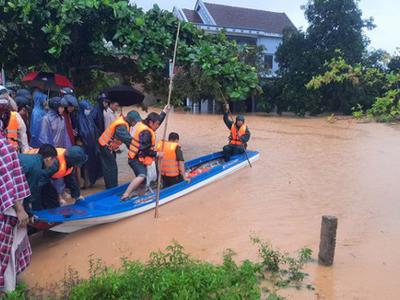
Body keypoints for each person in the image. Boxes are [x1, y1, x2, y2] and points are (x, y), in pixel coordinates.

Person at [0, 98, 32, 293]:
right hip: (8, 208)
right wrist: (21, 210)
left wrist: (20, 209)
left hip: (7, 207)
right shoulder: (4, 146)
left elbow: (11, 178)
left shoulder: (4, 145)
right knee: (8, 251)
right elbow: (10, 178)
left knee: (9, 250)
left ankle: (10, 291)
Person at [121, 106, 170, 200]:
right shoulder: (146, 133)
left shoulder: (145, 123)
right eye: (156, 124)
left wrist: (164, 111)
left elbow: (157, 120)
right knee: (142, 176)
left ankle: (141, 196)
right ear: (151, 123)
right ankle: (125, 195)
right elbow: (145, 150)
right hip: (135, 159)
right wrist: (157, 154)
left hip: (136, 157)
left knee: (143, 181)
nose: (157, 126)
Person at [98, 110, 142, 189]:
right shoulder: (121, 126)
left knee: (111, 167)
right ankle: (111, 188)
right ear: (132, 121)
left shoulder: (123, 122)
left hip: (109, 147)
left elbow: (128, 140)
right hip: (105, 147)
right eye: (135, 122)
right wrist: (139, 150)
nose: (136, 124)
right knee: (111, 169)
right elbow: (128, 140)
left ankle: (112, 186)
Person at [18, 144, 58, 213]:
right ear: (48, 159)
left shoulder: (32, 159)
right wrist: (29, 213)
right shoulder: (36, 168)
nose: (53, 164)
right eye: (53, 160)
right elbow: (28, 193)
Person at [77, 100, 102, 187]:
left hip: (91, 144)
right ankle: (84, 182)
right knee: (84, 164)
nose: (88, 110)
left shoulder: (88, 118)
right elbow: (80, 133)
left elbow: (94, 130)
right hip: (84, 145)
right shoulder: (79, 118)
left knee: (91, 163)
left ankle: (90, 181)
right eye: (86, 109)